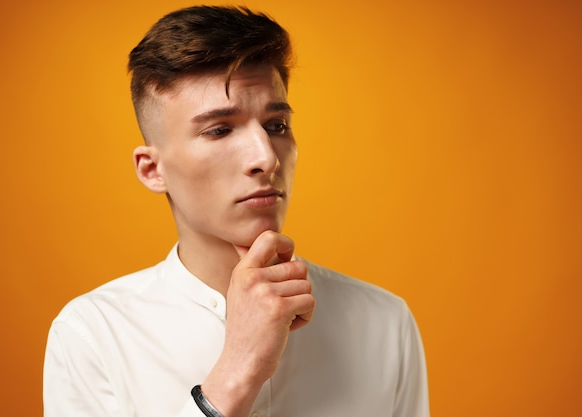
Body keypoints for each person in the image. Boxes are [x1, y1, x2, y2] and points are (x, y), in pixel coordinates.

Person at [43, 5, 429, 417]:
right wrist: (235, 376)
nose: (266, 157)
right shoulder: (92, 335)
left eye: (276, 125)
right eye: (220, 130)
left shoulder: (385, 323)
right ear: (154, 170)